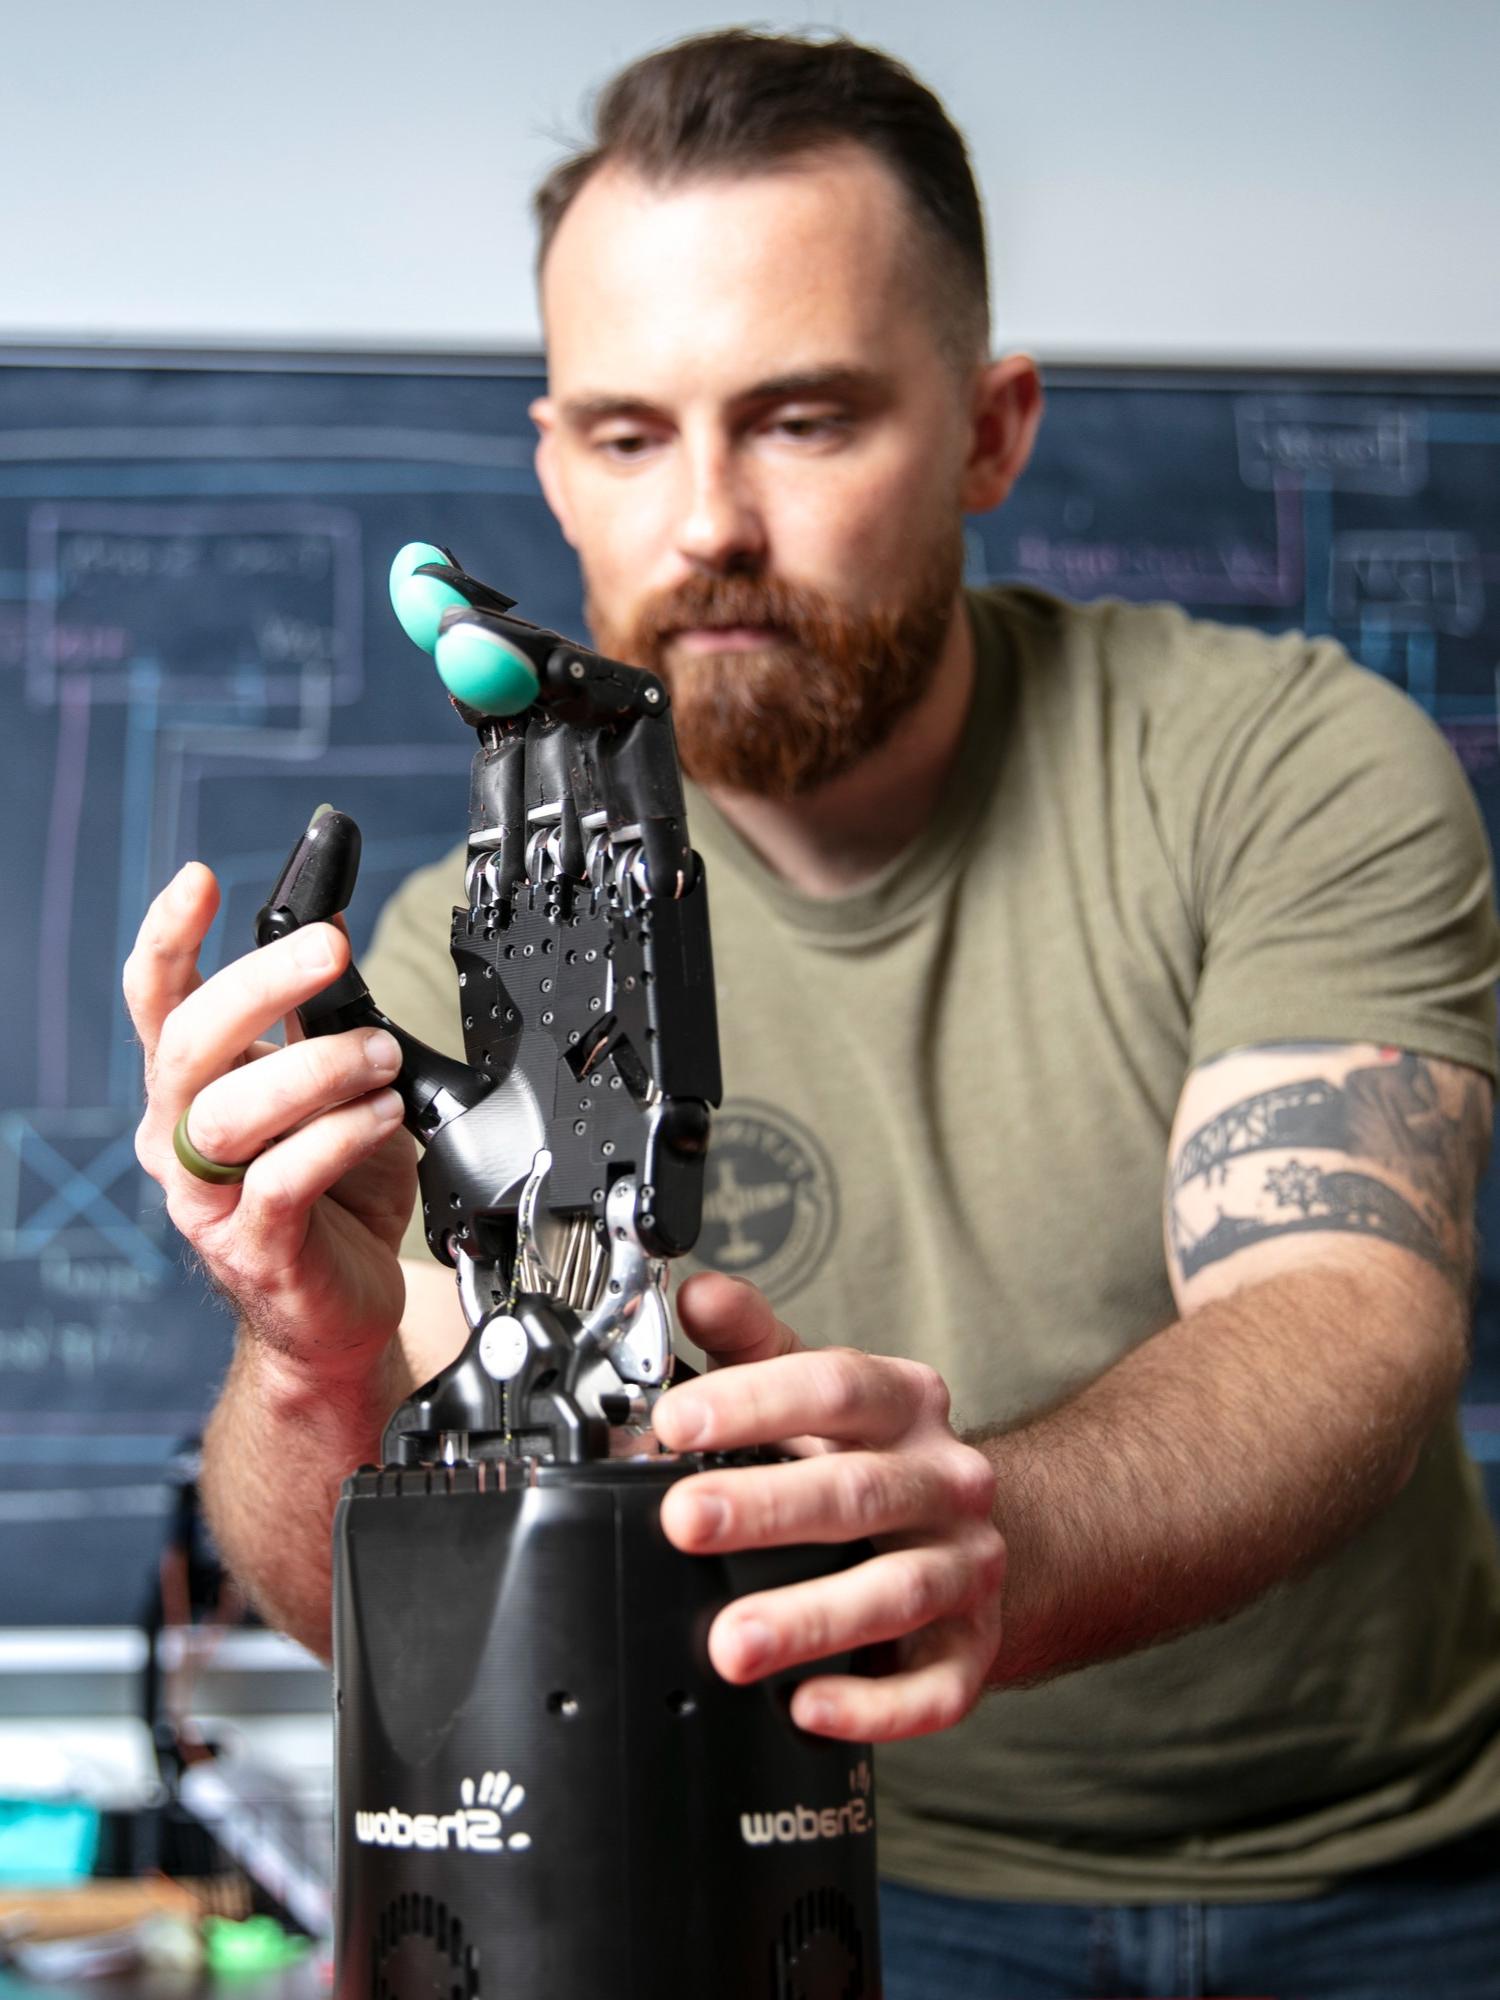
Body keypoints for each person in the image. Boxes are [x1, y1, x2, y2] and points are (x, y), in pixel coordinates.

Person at [124, 30, 1500, 2000]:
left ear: (991, 429)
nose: (705, 527)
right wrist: (304, 1360)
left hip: (1401, 1877)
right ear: (551, 462)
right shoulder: (444, 959)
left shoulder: (1285, 764)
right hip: (827, 1869)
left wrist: (986, 1530)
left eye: (803, 419)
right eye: (626, 434)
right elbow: (376, 1583)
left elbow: (1343, 1306)